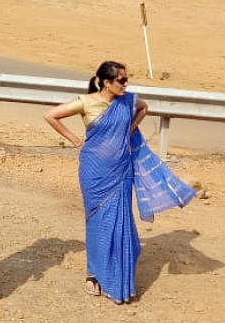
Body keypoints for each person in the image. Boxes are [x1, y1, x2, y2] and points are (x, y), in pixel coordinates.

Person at [45, 60, 195, 304]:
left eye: (127, 80)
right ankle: (93, 275)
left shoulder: (129, 101)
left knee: (122, 222)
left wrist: (131, 129)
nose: (126, 84)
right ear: (106, 82)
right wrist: (75, 140)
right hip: (94, 173)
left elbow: (144, 108)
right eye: (121, 80)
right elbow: (50, 116)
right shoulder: (86, 102)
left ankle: (118, 279)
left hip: (122, 171)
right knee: (97, 223)